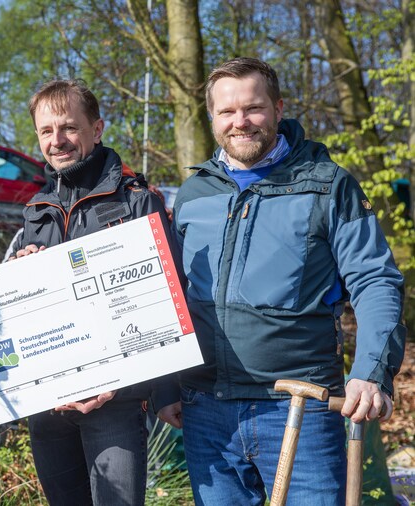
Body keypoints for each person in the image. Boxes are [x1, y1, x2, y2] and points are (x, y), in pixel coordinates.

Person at [172, 57, 406, 504]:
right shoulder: (195, 193)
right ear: (212, 118)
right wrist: (167, 388)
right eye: (227, 112)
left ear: (278, 109)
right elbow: (169, 296)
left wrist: (371, 372)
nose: (241, 122)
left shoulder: (327, 186)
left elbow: (375, 280)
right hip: (205, 409)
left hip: (301, 406)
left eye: (253, 108)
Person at [9, 79, 181, 505]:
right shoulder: (35, 211)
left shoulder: (138, 201)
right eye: (46, 131)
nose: (57, 141)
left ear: (97, 129)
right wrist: (16, 278)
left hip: (117, 405)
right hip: (49, 408)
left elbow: (169, 304)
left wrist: (155, 390)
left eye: (68, 127)